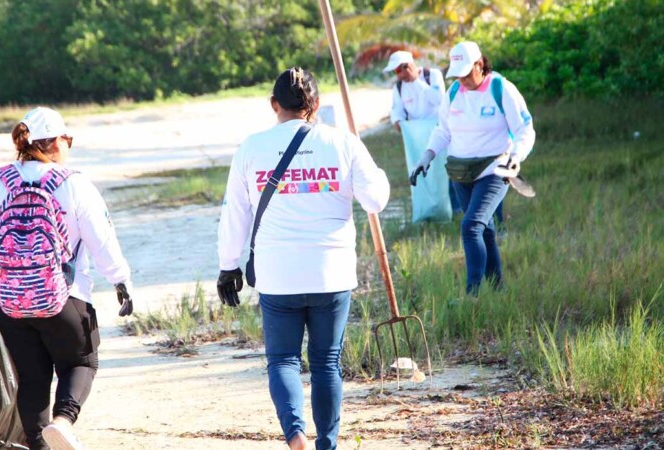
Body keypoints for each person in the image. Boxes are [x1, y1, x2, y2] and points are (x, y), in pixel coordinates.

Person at [0, 107, 136, 450]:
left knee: (32, 378)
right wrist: (121, 280)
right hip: (64, 297)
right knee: (81, 361)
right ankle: (63, 422)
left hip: (10, 303)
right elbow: (101, 239)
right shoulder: (73, 183)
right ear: (55, 142)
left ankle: (39, 445)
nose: (69, 144)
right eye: (67, 138)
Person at [216, 68, 390, 450]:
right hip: (331, 273)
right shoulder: (343, 143)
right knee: (327, 363)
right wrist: (370, 167)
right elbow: (376, 200)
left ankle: (295, 438)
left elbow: (235, 214)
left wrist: (228, 265)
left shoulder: (251, 147)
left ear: (274, 104)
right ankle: (327, 444)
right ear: (316, 104)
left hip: (279, 276)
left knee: (282, 361)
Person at [410, 41, 535, 294]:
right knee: (485, 230)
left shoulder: (502, 89)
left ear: (480, 64)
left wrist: (516, 155)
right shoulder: (454, 92)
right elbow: (442, 131)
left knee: (471, 226)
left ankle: (473, 294)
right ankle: (497, 288)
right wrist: (427, 155)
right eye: (458, 74)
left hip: (495, 170)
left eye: (467, 73)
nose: (462, 80)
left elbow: (525, 129)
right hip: (460, 173)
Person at [383, 50, 462, 216]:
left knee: (446, 169)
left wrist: (417, 81)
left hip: (439, 130)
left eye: (400, 70)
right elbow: (396, 110)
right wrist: (397, 122)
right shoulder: (398, 87)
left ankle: (455, 208)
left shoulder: (432, 75)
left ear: (409, 66)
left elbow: (439, 100)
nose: (399, 75)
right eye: (396, 72)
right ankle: (430, 210)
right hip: (417, 136)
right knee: (424, 170)